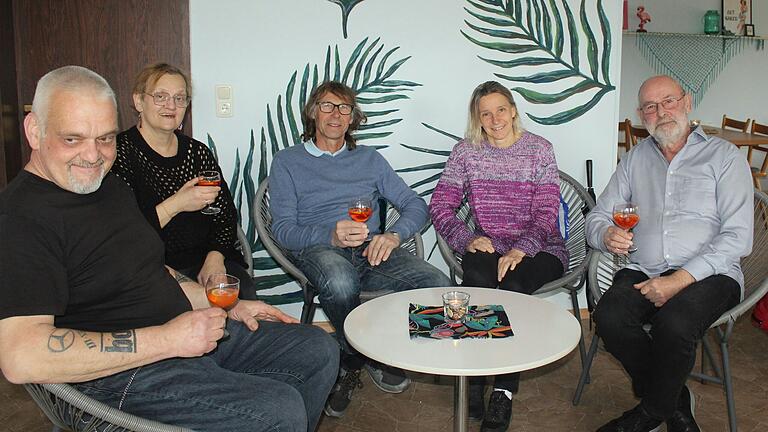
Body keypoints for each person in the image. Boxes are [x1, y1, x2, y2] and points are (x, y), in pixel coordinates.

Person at [0, 65, 338, 431]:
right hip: (118, 376)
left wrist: (222, 302)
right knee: (278, 409)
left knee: (317, 350)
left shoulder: (108, 188)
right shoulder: (21, 217)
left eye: (106, 138)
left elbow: (148, 265)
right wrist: (167, 340)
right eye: (72, 139)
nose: (93, 155)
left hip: (181, 331)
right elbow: (20, 356)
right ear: (34, 130)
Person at [268, 80, 452, 417]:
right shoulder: (287, 161)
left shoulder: (369, 159)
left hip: (372, 249)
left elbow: (415, 205)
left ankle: (389, 351)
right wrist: (330, 236)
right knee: (340, 282)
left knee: (437, 283)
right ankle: (358, 358)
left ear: (353, 117)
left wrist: (393, 235)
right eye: (327, 105)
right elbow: (281, 229)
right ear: (312, 112)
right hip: (319, 248)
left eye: (344, 107)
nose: (335, 114)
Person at [586, 75, 753, 432]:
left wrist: (679, 280)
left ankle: (650, 412)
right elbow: (598, 216)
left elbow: (739, 237)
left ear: (687, 102)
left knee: (674, 324)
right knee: (609, 317)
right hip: (644, 267)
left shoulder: (724, 156)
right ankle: (673, 403)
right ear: (640, 114)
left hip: (712, 274)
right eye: (650, 106)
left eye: (668, 102)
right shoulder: (634, 159)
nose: (660, 112)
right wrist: (606, 234)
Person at [429, 80, 567, 432]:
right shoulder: (466, 152)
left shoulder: (540, 149)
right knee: (476, 283)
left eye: (500, 109)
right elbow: (441, 206)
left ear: (513, 110)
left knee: (513, 288)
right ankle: (475, 378)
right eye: (485, 113)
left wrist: (523, 247)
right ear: (477, 118)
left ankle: (503, 390)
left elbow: (547, 212)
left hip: (541, 246)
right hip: (488, 243)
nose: (495, 119)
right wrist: (466, 237)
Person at [110, 63, 256, 299]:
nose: (171, 105)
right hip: (148, 266)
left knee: (241, 290)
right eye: (161, 96)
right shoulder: (118, 154)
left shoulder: (197, 152)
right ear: (139, 101)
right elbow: (121, 234)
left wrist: (215, 257)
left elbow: (226, 215)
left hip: (204, 259)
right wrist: (178, 202)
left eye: (180, 98)